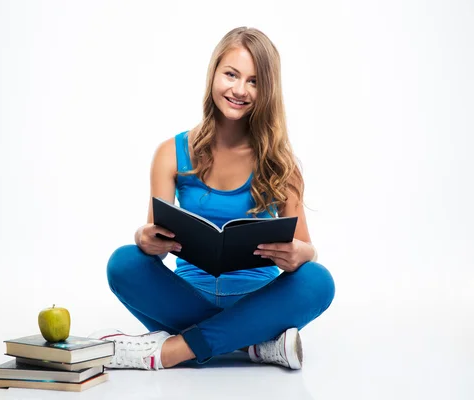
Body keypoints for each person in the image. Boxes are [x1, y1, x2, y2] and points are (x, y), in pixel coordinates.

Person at [90, 26, 335, 371]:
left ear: (268, 90)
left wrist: (299, 253)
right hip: (187, 299)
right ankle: (255, 344)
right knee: (123, 262)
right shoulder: (171, 153)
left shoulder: (281, 163)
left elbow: (306, 250)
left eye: (254, 81)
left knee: (318, 281)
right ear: (213, 75)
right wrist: (144, 239)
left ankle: (171, 351)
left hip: (258, 303)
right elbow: (153, 241)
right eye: (231, 75)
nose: (239, 89)